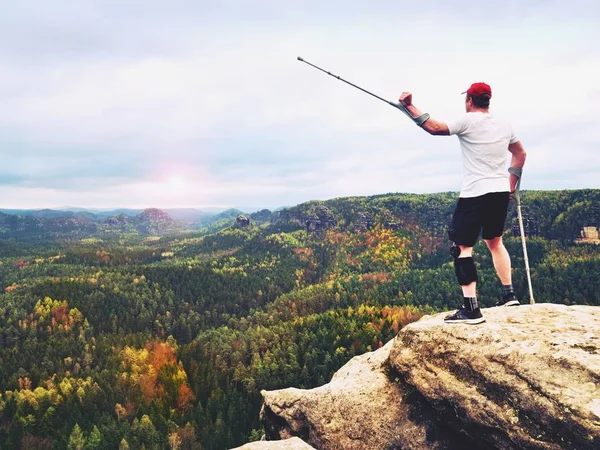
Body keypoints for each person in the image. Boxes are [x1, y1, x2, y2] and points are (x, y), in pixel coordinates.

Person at [399, 82, 527, 325]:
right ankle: (509, 295)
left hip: (475, 193)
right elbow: (520, 154)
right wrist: (511, 184)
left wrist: (409, 107)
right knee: (495, 242)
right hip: (499, 192)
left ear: (469, 100)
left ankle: (471, 309)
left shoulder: (467, 121)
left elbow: (434, 128)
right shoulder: (505, 124)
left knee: (462, 247)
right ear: (488, 100)